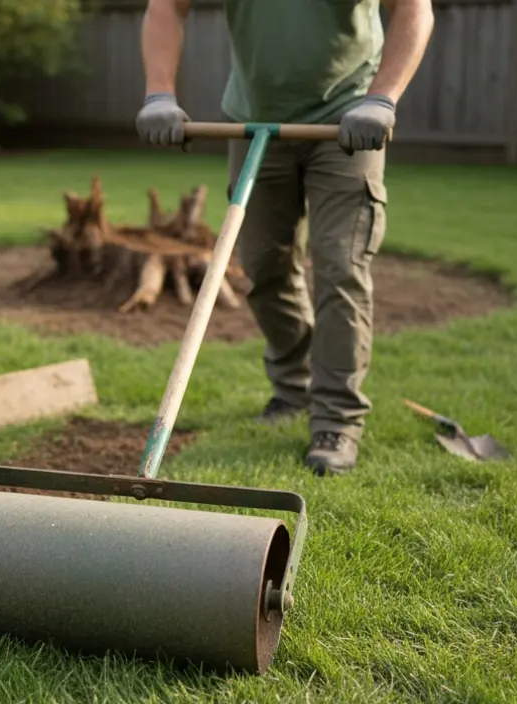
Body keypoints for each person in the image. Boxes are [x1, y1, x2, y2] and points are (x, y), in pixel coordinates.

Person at [136, 0, 434, 476]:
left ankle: (336, 419)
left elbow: (414, 10)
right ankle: (295, 387)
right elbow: (166, 7)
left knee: (340, 266)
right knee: (262, 266)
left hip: (346, 123)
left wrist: (381, 99)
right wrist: (159, 94)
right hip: (253, 120)